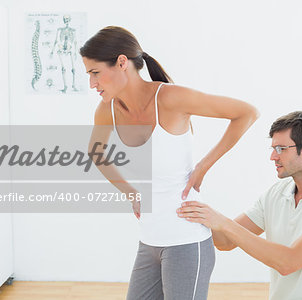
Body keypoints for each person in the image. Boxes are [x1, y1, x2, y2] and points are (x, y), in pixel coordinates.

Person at [80, 26, 259, 300]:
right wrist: (129, 191)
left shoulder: (171, 99)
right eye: (88, 75)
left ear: (121, 63)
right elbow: (96, 152)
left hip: (186, 241)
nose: (92, 84)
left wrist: (203, 166)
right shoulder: (108, 110)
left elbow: (246, 113)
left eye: (95, 73)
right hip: (149, 242)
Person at [177, 111, 302, 300]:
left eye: (281, 149)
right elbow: (226, 241)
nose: (273, 156)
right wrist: (185, 211)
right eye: (273, 149)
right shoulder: (277, 193)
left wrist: (222, 222)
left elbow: (288, 262)